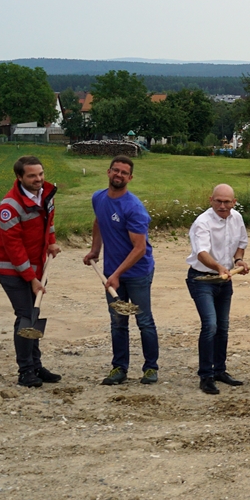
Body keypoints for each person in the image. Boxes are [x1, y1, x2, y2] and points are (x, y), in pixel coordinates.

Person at [83, 156, 159, 386]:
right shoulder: (98, 198)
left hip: (138, 273)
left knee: (143, 320)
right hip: (112, 272)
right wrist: (95, 250)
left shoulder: (133, 208)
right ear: (108, 172)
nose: (119, 175)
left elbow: (140, 248)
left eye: (124, 172)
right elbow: (99, 222)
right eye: (116, 170)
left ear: (130, 178)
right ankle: (119, 368)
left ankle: (150, 368)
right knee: (118, 321)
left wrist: (116, 274)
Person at [0, 155, 61, 387]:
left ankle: (36, 366)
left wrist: (51, 242)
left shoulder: (46, 195)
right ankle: (25, 371)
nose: (38, 179)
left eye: (40, 174)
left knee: (34, 314)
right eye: (32, 176)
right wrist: (31, 278)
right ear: (19, 177)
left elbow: (49, 221)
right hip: (11, 268)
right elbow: (14, 248)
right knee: (26, 316)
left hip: (36, 266)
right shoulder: (9, 207)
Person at [185, 184, 250, 395]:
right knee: (210, 325)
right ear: (210, 200)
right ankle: (206, 375)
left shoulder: (237, 218)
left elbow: (241, 243)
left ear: (234, 202)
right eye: (218, 201)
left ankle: (220, 370)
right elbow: (202, 253)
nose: (222, 206)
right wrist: (219, 267)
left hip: (224, 280)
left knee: (223, 326)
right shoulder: (202, 222)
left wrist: (238, 260)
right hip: (202, 279)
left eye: (227, 202)